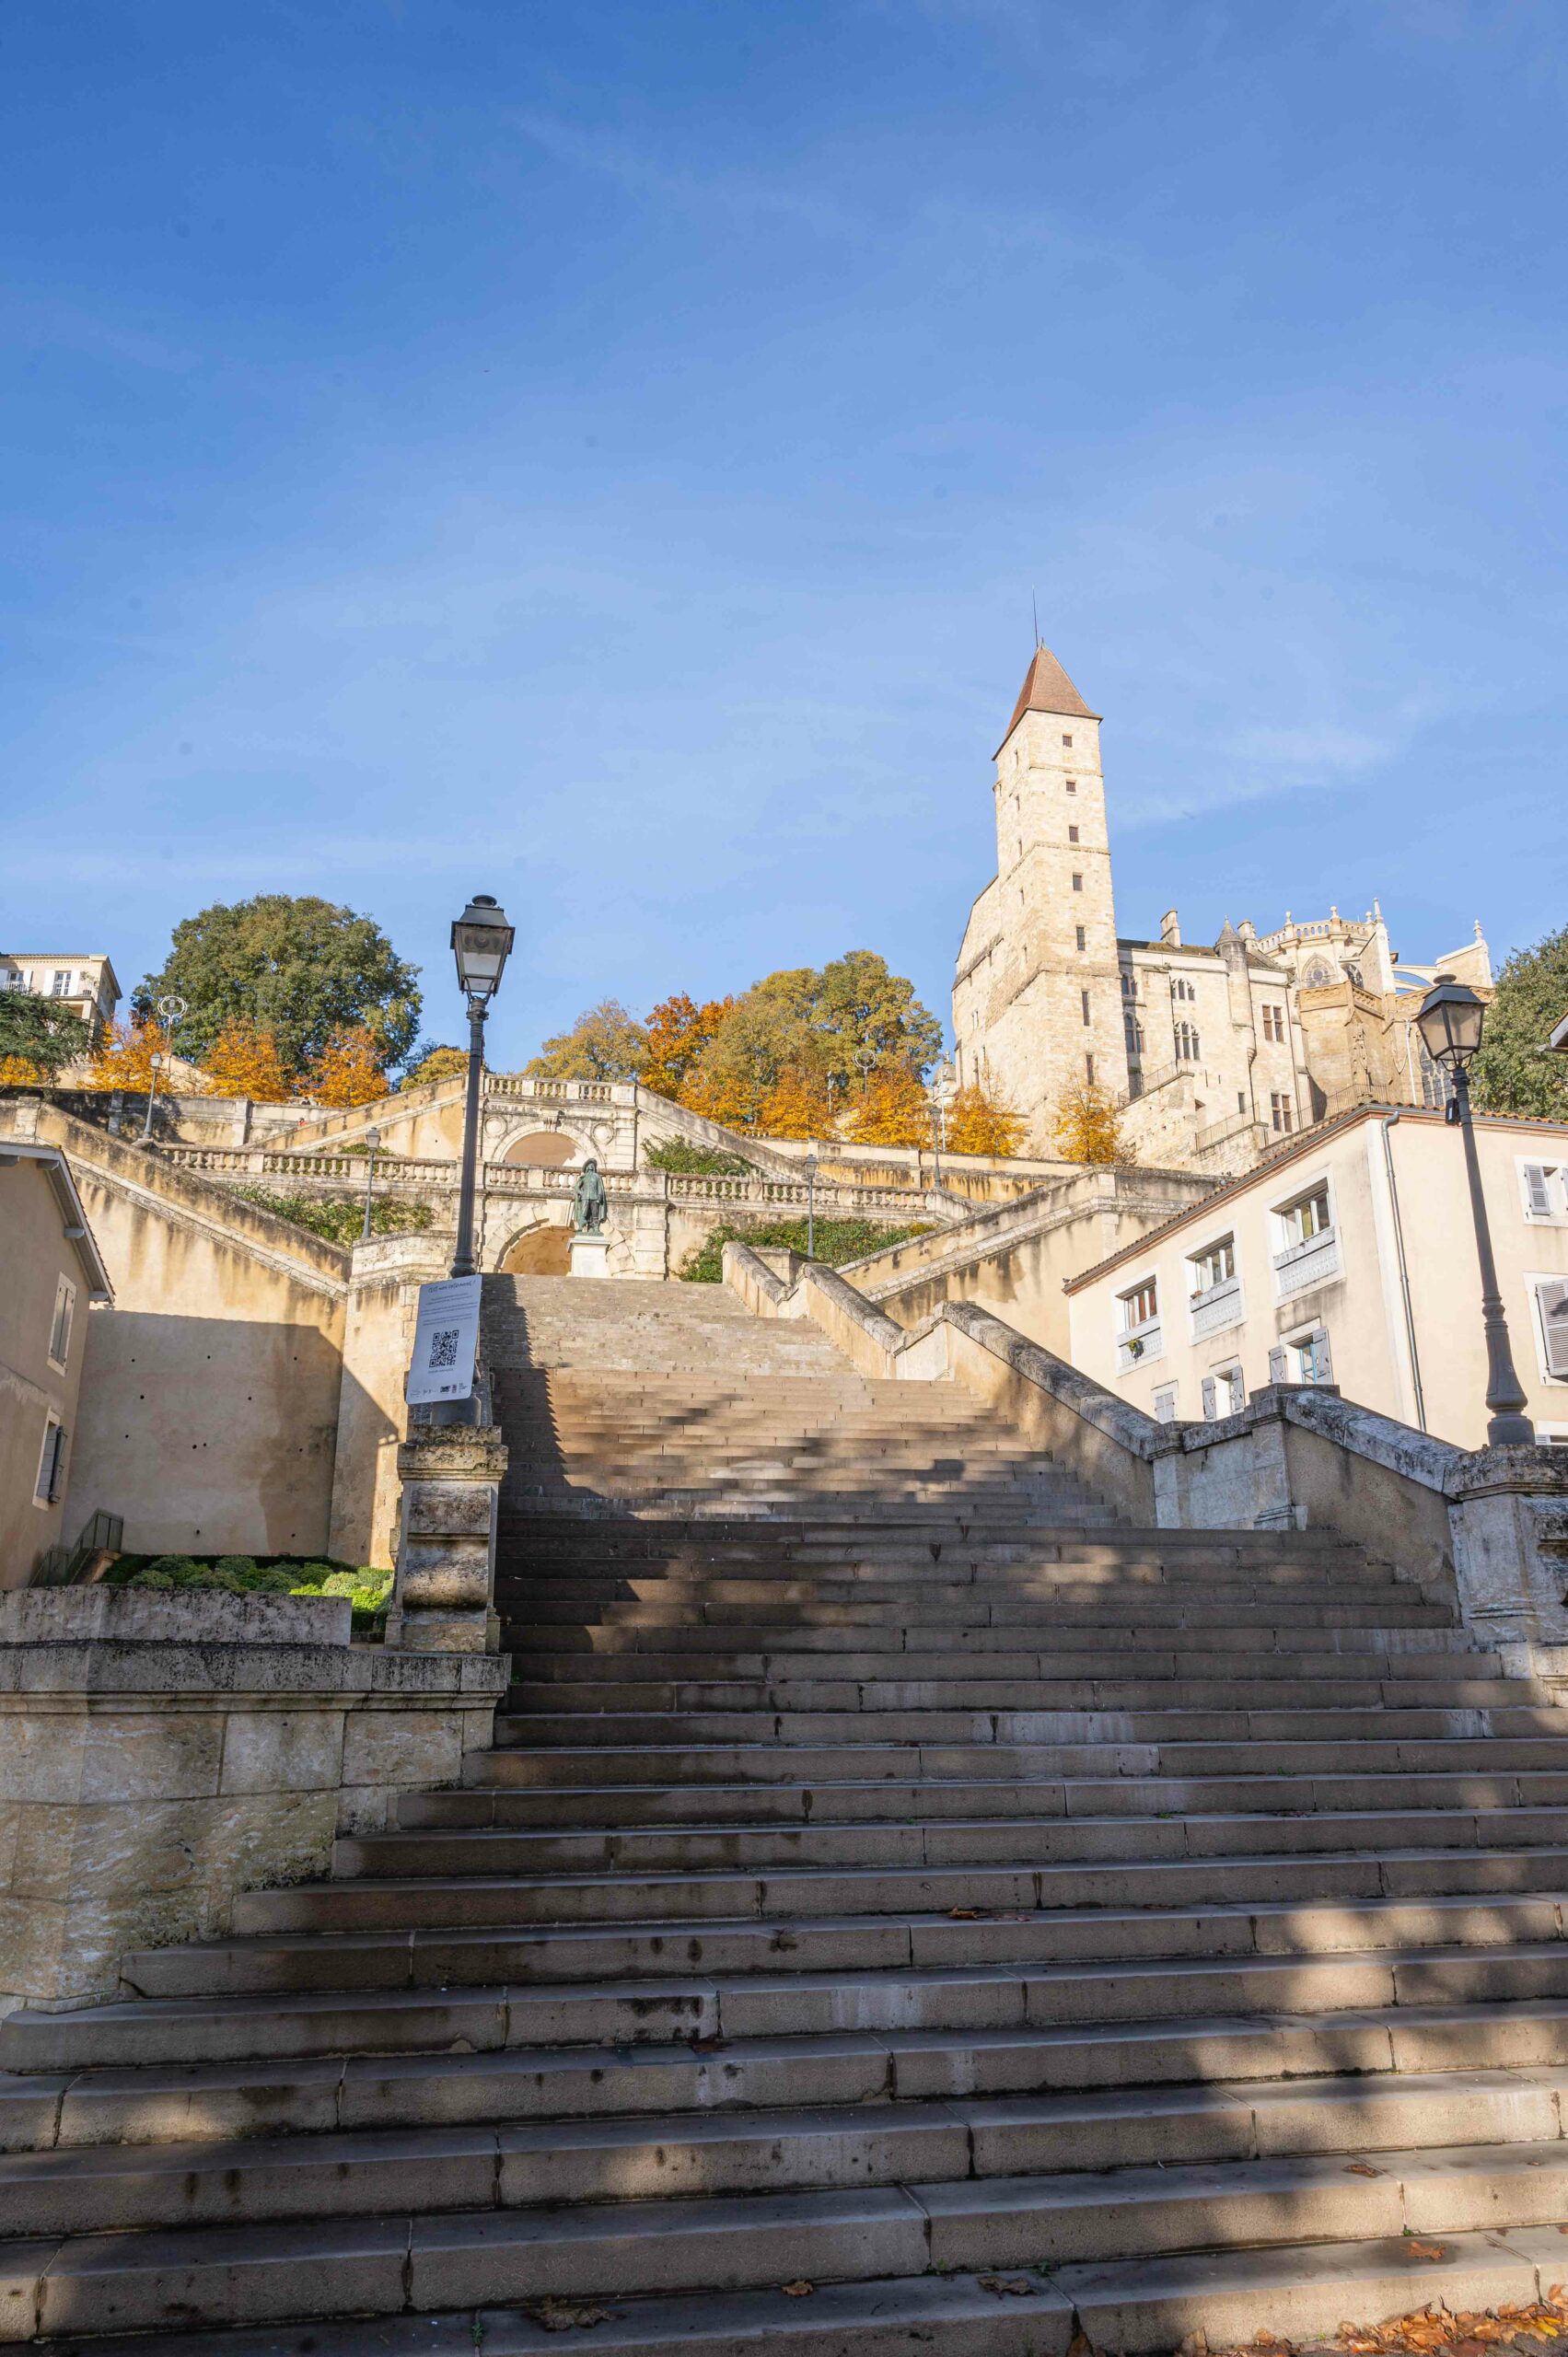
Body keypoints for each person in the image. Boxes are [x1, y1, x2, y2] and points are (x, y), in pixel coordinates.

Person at [571, 1157, 609, 1235]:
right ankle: (580, 1227)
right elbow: (576, 1187)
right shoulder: (583, 1177)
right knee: (583, 1214)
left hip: (595, 1198)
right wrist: (581, 1193)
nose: (591, 1166)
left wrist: (599, 1197)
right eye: (589, 1165)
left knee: (595, 1214)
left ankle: (596, 1228)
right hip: (585, 1198)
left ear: (594, 1167)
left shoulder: (597, 1177)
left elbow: (600, 1188)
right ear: (587, 1167)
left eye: (592, 1165)